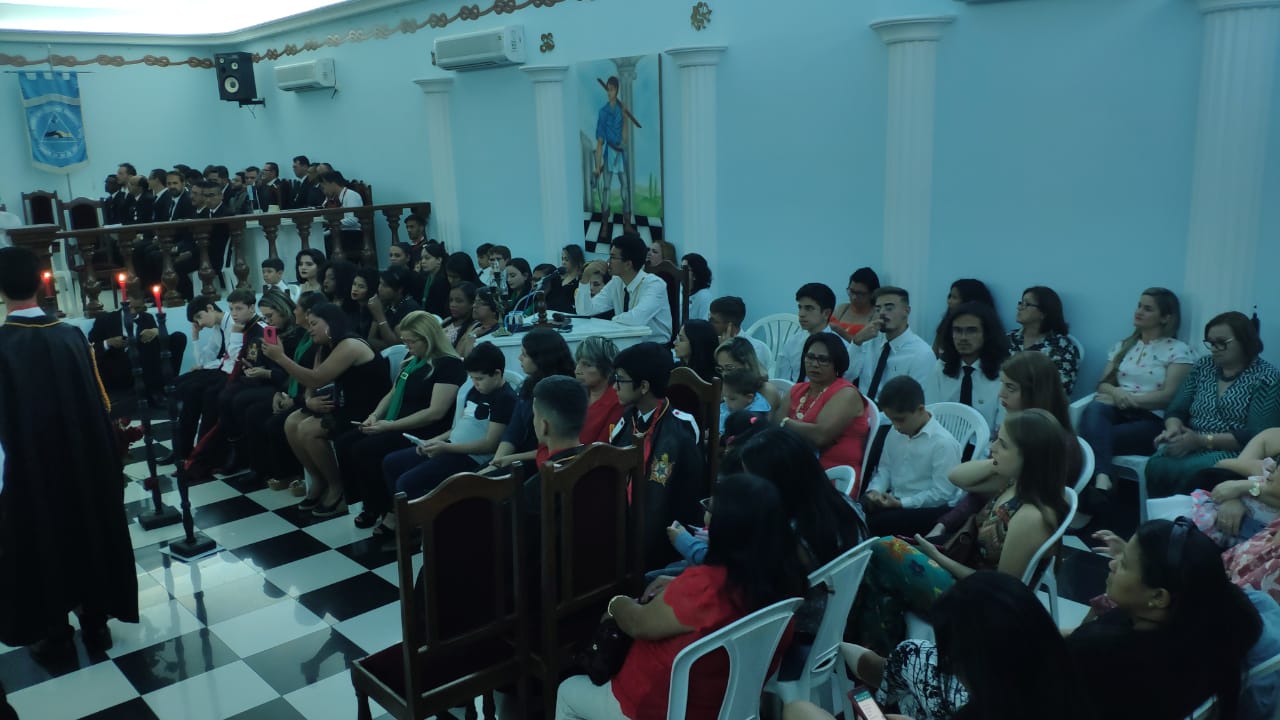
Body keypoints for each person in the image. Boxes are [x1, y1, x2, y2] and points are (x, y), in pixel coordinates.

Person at [554, 473, 806, 720]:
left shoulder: (706, 588)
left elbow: (637, 623)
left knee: (567, 691)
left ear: (726, 527)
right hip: (730, 704)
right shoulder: (779, 582)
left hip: (659, 707)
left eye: (711, 509)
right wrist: (680, 586)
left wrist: (615, 603)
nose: (706, 515)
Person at [0, 246, 138, 657]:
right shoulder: (70, 335)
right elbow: (99, 404)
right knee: (86, 532)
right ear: (41, 284)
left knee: (39, 541)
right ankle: (95, 621)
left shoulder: (3, 344)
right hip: (82, 463)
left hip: (30, 470)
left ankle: (53, 630)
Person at [854, 408, 1070, 655]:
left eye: (1003, 444)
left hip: (978, 601)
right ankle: (880, 655)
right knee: (881, 574)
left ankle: (873, 655)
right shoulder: (1013, 483)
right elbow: (956, 476)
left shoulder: (1029, 516)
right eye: (996, 439)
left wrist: (938, 557)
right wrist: (999, 462)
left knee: (882, 550)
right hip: (965, 574)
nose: (992, 447)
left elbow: (999, 589)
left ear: (1029, 457)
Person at [836, 572, 1093, 720]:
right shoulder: (1071, 678)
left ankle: (843, 649)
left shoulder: (984, 706)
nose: (950, 669)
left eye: (952, 662)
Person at [1076, 519, 1262, 720]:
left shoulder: (1099, 651)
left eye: (1124, 564)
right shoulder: (1206, 636)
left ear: (1158, 597)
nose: (1112, 563)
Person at [927, 350, 1079, 538]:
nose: (1001, 394)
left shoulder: (1055, 446)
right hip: (981, 521)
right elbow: (964, 483)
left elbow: (980, 488)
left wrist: (947, 523)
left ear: (1035, 392)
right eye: (1002, 384)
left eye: (1010, 388)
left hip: (1001, 534)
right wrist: (945, 523)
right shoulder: (1015, 431)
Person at [340, 311, 464, 534]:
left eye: (411, 341)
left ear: (428, 338)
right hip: (398, 421)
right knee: (345, 442)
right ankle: (370, 502)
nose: (407, 346)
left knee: (365, 449)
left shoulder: (448, 365)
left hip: (425, 429)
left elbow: (435, 412)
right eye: (405, 341)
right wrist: (375, 416)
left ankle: (388, 508)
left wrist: (390, 426)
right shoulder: (414, 360)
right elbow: (393, 392)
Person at [262, 302, 390, 517]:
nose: (310, 329)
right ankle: (318, 479)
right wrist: (309, 400)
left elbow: (317, 378)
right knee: (291, 422)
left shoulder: (350, 344)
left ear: (330, 323)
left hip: (368, 408)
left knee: (308, 430)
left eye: (314, 324)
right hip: (344, 401)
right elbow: (312, 383)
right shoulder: (325, 345)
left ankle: (337, 487)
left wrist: (280, 358)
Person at [1078, 289, 1194, 508]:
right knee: (1095, 409)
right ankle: (1102, 479)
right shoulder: (1124, 346)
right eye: (1139, 306)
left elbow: (1169, 397)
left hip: (1152, 420)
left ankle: (1098, 486)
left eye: (1148, 309)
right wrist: (1117, 393)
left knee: (1092, 439)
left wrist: (1127, 399)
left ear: (1166, 317)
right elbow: (1103, 384)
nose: (1139, 311)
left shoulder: (1179, 351)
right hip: (1117, 411)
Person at [1146, 311, 1280, 498]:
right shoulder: (1204, 366)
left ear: (1245, 341)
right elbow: (1176, 409)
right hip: (1190, 441)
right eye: (1210, 342)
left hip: (1236, 451)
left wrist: (1202, 440)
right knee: (1157, 463)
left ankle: (1190, 515)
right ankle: (1162, 514)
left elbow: (1256, 434)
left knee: (1196, 470)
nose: (1214, 349)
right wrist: (1173, 429)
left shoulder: (1267, 378)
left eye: (1221, 342)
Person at [380, 342, 516, 511]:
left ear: (497, 374)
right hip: (451, 446)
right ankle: (398, 514)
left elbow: (490, 444)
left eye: (479, 379)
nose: (475, 383)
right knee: (391, 462)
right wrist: (432, 441)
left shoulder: (505, 399)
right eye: (472, 378)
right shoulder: (476, 391)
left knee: (407, 483)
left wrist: (445, 447)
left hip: (470, 457)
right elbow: (457, 428)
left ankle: (423, 521)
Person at [610, 342, 705, 564]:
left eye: (620, 380)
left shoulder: (681, 428)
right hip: (626, 520)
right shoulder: (626, 420)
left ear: (643, 386)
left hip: (666, 530)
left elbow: (688, 493)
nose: (614, 387)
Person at [864, 376, 964, 536]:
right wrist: (875, 491)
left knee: (875, 524)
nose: (896, 426)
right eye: (891, 420)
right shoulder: (894, 432)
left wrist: (902, 503)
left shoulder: (943, 443)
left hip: (928, 509)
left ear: (920, 410)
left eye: (900, 420)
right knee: (851, 511)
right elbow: (885, 469)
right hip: (894, 500)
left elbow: (942, 494)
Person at [243, 292, 323, 490]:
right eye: (264, 317)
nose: (295, 311)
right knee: (252, 411)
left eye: (270, 316)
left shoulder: (305, 337)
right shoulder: (298, 335)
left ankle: (297, 473)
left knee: (274, 422)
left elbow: (310, 375)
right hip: (290, 388)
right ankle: (266, 469)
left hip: (308, 393)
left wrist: (293, 397)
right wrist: (280, 392)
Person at [488, 328, 576, 476]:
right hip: (516, 456)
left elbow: (557, 446)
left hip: (544, 463)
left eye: (524, 354)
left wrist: (510, 459)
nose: (519, 358)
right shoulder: (529, 385)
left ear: (541, 358)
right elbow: (513, 431)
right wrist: (496, 462)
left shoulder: (564, 390)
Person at [173, 294, 246, 466]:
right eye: (196, 321)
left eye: (199, 317)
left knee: (196, 389)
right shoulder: (217, 328)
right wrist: (195, 338)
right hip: (221, 369)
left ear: (210, 308)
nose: (200, 323)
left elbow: (231, 359)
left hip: (232, 373)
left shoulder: (232, 324)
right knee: (180, 384)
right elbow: (204, 360)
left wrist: (205, 367)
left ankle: (200, 452)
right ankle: (183, 449)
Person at [784, 333, 870, 473]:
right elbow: (774, 425)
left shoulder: (846, 393)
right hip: (794, 465)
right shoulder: (797, 390)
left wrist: (785, 422)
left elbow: (820, 437)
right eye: (810, 357)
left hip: (832, 474)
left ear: (837, 363)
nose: (814, 364)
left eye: (823, 360)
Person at [925, 301, 1009, 434]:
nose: (963, 338)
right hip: (945, 442)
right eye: (957, 330)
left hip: (988, 444)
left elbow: (1003, 426)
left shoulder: (1005, 371)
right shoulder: (941, 367)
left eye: (971, 330)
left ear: (987, 334)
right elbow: (930, 413)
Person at [89, 293, 188, 406]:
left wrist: (156, 331)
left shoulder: (147, 318)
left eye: (138, 308)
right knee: (146, 346)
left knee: (178, 338)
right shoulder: (106, 319)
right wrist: (108, 343)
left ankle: (168, 385)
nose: (133, 311)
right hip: (119, 365)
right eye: (131, 307)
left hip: (146, 363)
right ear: (125, 303)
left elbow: (158, 345)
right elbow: (90, 347)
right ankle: (155, 392)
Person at [576, 233, 673, 342]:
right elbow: (585, 311)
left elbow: (636, 319)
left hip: (655, 347)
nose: (608, 262)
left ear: (628, 264)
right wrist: (585, 277)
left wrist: (613, 320)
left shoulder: (654, 284)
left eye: (613, 257)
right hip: (626, 342)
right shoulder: (617, 281)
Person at [848, 286, 936, 403]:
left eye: (889, 308)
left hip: (898, 413)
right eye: (878, 309)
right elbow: (847, 375)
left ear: (906, 311)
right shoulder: (869, 340)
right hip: (862, 409)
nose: (882, 313)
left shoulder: (922, 354)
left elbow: (916, 403)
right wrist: (857, 341)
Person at [1007, 285, 1080, 394]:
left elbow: (1061, 390)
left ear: (1043, 313)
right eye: (1020, 303)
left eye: (1027, 304)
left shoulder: (1062, 347)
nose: (1019, 307)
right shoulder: (1009, 338)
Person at [777, 282, 850, 382]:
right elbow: (781, 381)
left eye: (809, 308)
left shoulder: (841, 347)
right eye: (800, 307)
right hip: (793, 390)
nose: (801, 314)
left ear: (826, 313)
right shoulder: (792, 342)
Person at [595, 75, 634, 237]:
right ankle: (605, 224)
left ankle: (627, 224)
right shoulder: (603, 112)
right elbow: (599, 141)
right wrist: (597, 166)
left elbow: (625, 139)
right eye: (608, 89)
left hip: (620, 153)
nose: (609, 92)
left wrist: (625, 118)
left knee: (625, 187)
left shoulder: (620, 110)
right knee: (606, 188)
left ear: (616, 90)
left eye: (612, 89)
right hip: (608, 153)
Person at [715, 336, 786, 424]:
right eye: (721, 369)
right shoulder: (729, 387)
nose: (724, 374)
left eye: (729, 368)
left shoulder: (767, 390)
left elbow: (759, 428)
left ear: (746, 365)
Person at [930, 278, 1000, 355]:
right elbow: (934, 354)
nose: (949, 301)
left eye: (954, 297)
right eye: (950, 296)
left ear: (970, 302)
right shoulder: (945, 324)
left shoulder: (988, 330)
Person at [575, 336, 624, 444]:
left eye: (587, 365)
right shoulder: (576, 395)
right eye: (577, 362)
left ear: (608, 368)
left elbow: (601, 449)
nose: (577, 370)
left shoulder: (617, 402)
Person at [707, 295, 772, 370]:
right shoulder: (711, 341)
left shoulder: (755, 350)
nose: (709, 324)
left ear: (730, 325)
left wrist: (726, 351)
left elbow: (742, 376)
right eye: (709, 318)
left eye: (714, 321)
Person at [367, 265, 423, 351]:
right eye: (380, 283)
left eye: (385, 286)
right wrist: (376, 314)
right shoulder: (387, 303)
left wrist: (379, 315)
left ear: (399, 289)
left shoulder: (409, 309)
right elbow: (371, 339)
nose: (379, 289)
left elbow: (399, 347)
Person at [830, 267, 880, 343]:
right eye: (851, 291)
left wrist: (841, 332)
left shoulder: (876, 315)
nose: (854, 297)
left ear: (872, 294)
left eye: (860, 294)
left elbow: (869, 345)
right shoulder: (842, 309)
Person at [719, 369, 771, 434]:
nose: (726, 402)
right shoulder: (735, 405)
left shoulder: (752, 420)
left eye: (732, 399)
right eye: (725, 397)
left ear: (749, 398)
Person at [457, 288, 502, 358]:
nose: (474, 306)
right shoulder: (475, 325)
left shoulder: (498, 332)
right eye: (475, 302)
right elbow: (458, 353)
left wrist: (472, 337)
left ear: (494, 309)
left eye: (480, 303)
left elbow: (469, 359)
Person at [545, 243, 585, 313]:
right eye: (562, 259)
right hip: (550, 313)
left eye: (566, 259)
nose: (563, 262)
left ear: (575, 260)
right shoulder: (557, 277)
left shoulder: (581, 280)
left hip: (569, 315)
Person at [416, 241, 450, 318]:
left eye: (427, 258)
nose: (423, 261)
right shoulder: (424, 278)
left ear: (439, 260)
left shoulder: (443, 281)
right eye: (422, 258)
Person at [682, 253, 713, 321]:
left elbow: (704, 323)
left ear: (695, 274)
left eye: (685, 270)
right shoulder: (680, 292)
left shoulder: (704, 296)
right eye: (681, 268)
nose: (681, 272)